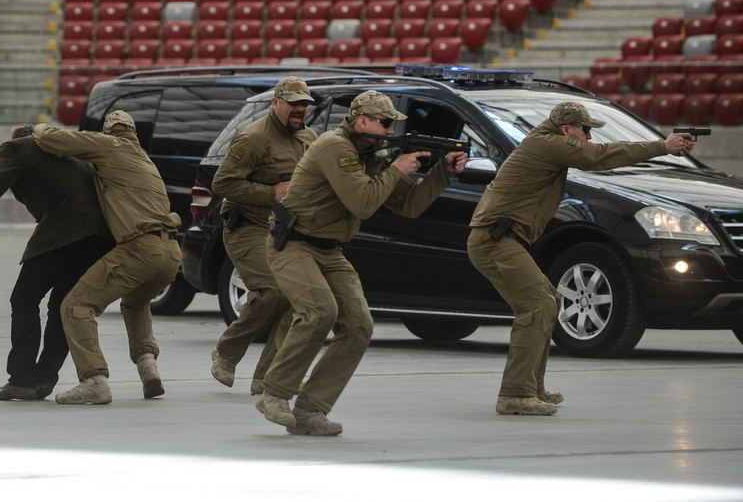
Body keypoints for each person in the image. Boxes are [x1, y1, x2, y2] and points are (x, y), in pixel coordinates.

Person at [256, 90, 467, 436]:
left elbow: (409, 206)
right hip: (293, 244)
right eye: (384, 123)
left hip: (330, 249)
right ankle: (275, 393)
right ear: (362, 120)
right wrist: (396, 169)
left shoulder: (370, 153)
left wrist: (441, 175)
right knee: (320, 311)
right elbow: (363, 203)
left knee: (359, 325)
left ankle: (310, 409)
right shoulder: (335, 146)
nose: (388, 131)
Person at [468, 101, 695, 416]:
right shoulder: (550, 144)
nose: (588, 137)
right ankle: (515, 394)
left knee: (548, 301)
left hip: (502, 239)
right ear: (567, 130)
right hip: (494, 240)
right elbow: (601, 156)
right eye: (585, 130)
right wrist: (662, 146)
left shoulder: (548, 144)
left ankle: (531, 387)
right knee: (537, 306)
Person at [0, 125, 115, 401]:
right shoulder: (71, 153)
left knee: (24, 298)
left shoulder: (18, 148)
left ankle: (22, 379)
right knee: (63, 304)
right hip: (100, 236)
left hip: (65, 231)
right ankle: (45, 378)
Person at [32, 110, 182, 405]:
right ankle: (148, 367)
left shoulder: (109, 145)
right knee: (136, 302)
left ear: (109, 130)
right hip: (170, 253)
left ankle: (94, 380)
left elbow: (56, 140)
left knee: (76, 305)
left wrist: (35, 128)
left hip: (139, 248)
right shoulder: (144, 158)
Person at [210, 77, 318, 394]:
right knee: (272, 290)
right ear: (276, 103)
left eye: (305, 104)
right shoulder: (253, 138)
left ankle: (269, 377)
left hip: (286, 230)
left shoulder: (309, 138)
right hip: (248, 226)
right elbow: (222, 184)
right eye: (294, 103)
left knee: (297, 299)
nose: (300, 109)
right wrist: (271, 192)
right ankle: (226, 353)